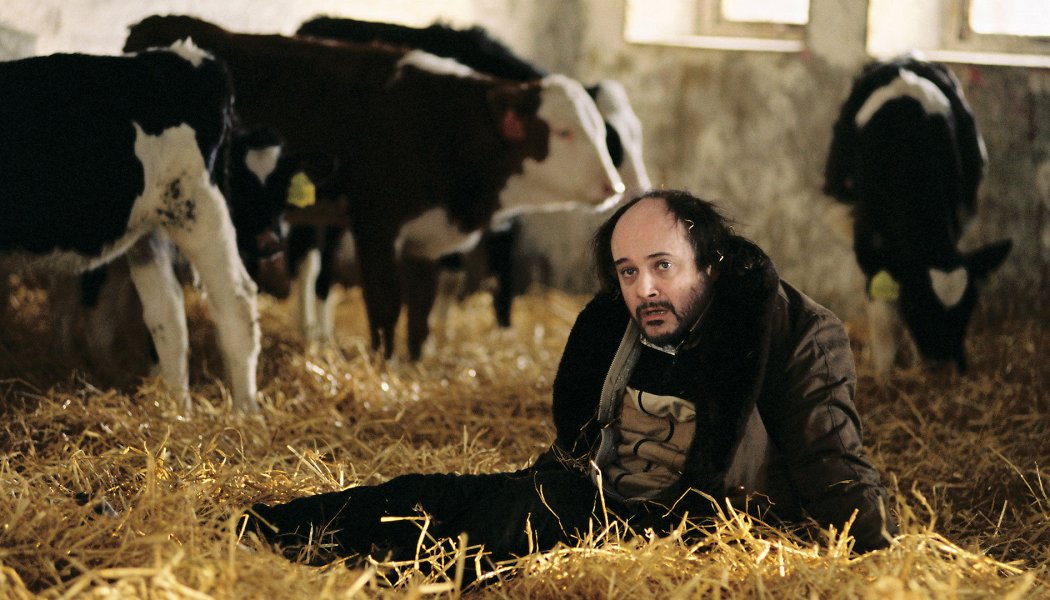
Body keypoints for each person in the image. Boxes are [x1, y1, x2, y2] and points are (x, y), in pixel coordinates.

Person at [245, 190, 897, 582]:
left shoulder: (797, 331)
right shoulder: (620, 325)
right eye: (627, 272)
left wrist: (882, 566)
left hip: (693, 536)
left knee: (493, 536)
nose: (644, 289)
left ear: (712, 264)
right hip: (591, 503)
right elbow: (579, 442)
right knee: (425, 497)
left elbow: (832, 459)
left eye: (662, 266)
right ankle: (260, 533)